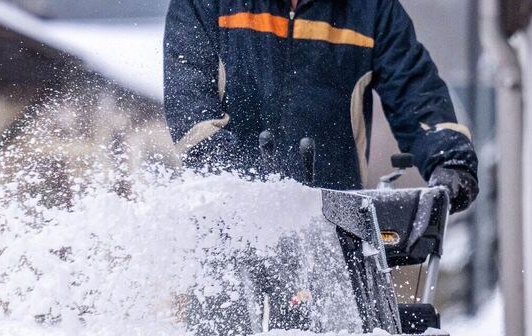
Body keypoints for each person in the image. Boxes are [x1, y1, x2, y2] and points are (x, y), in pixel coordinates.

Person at [163, 0, 478, 211]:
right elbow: (191, 107)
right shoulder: (206, 3)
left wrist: (448, 159)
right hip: (231, 223)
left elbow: (414, 88)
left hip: (335, 226)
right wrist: (246, 183)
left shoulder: (371, 10)